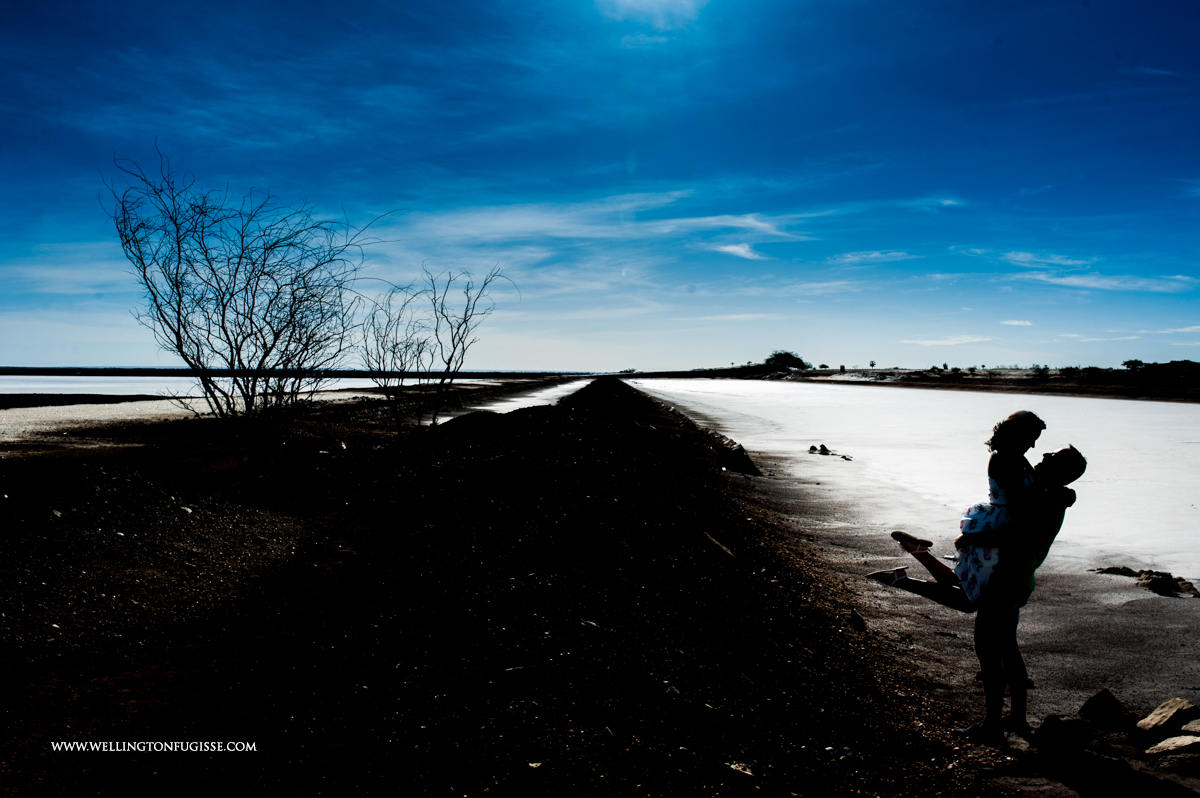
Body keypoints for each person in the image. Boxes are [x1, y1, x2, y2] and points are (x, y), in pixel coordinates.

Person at [868, 412, 1087, 745]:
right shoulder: (1034, 480)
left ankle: (993, 726)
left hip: (1007, 575)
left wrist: (974, 539)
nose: (1038, 451)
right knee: (1005, 647)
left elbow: (1019, 526)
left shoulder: (1039, 489)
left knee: (988, 649)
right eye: (1034, 441)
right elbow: (1026, 510)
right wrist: (1062, 492)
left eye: (1048, 453)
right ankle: (1014, 721)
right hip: (1014, 574)